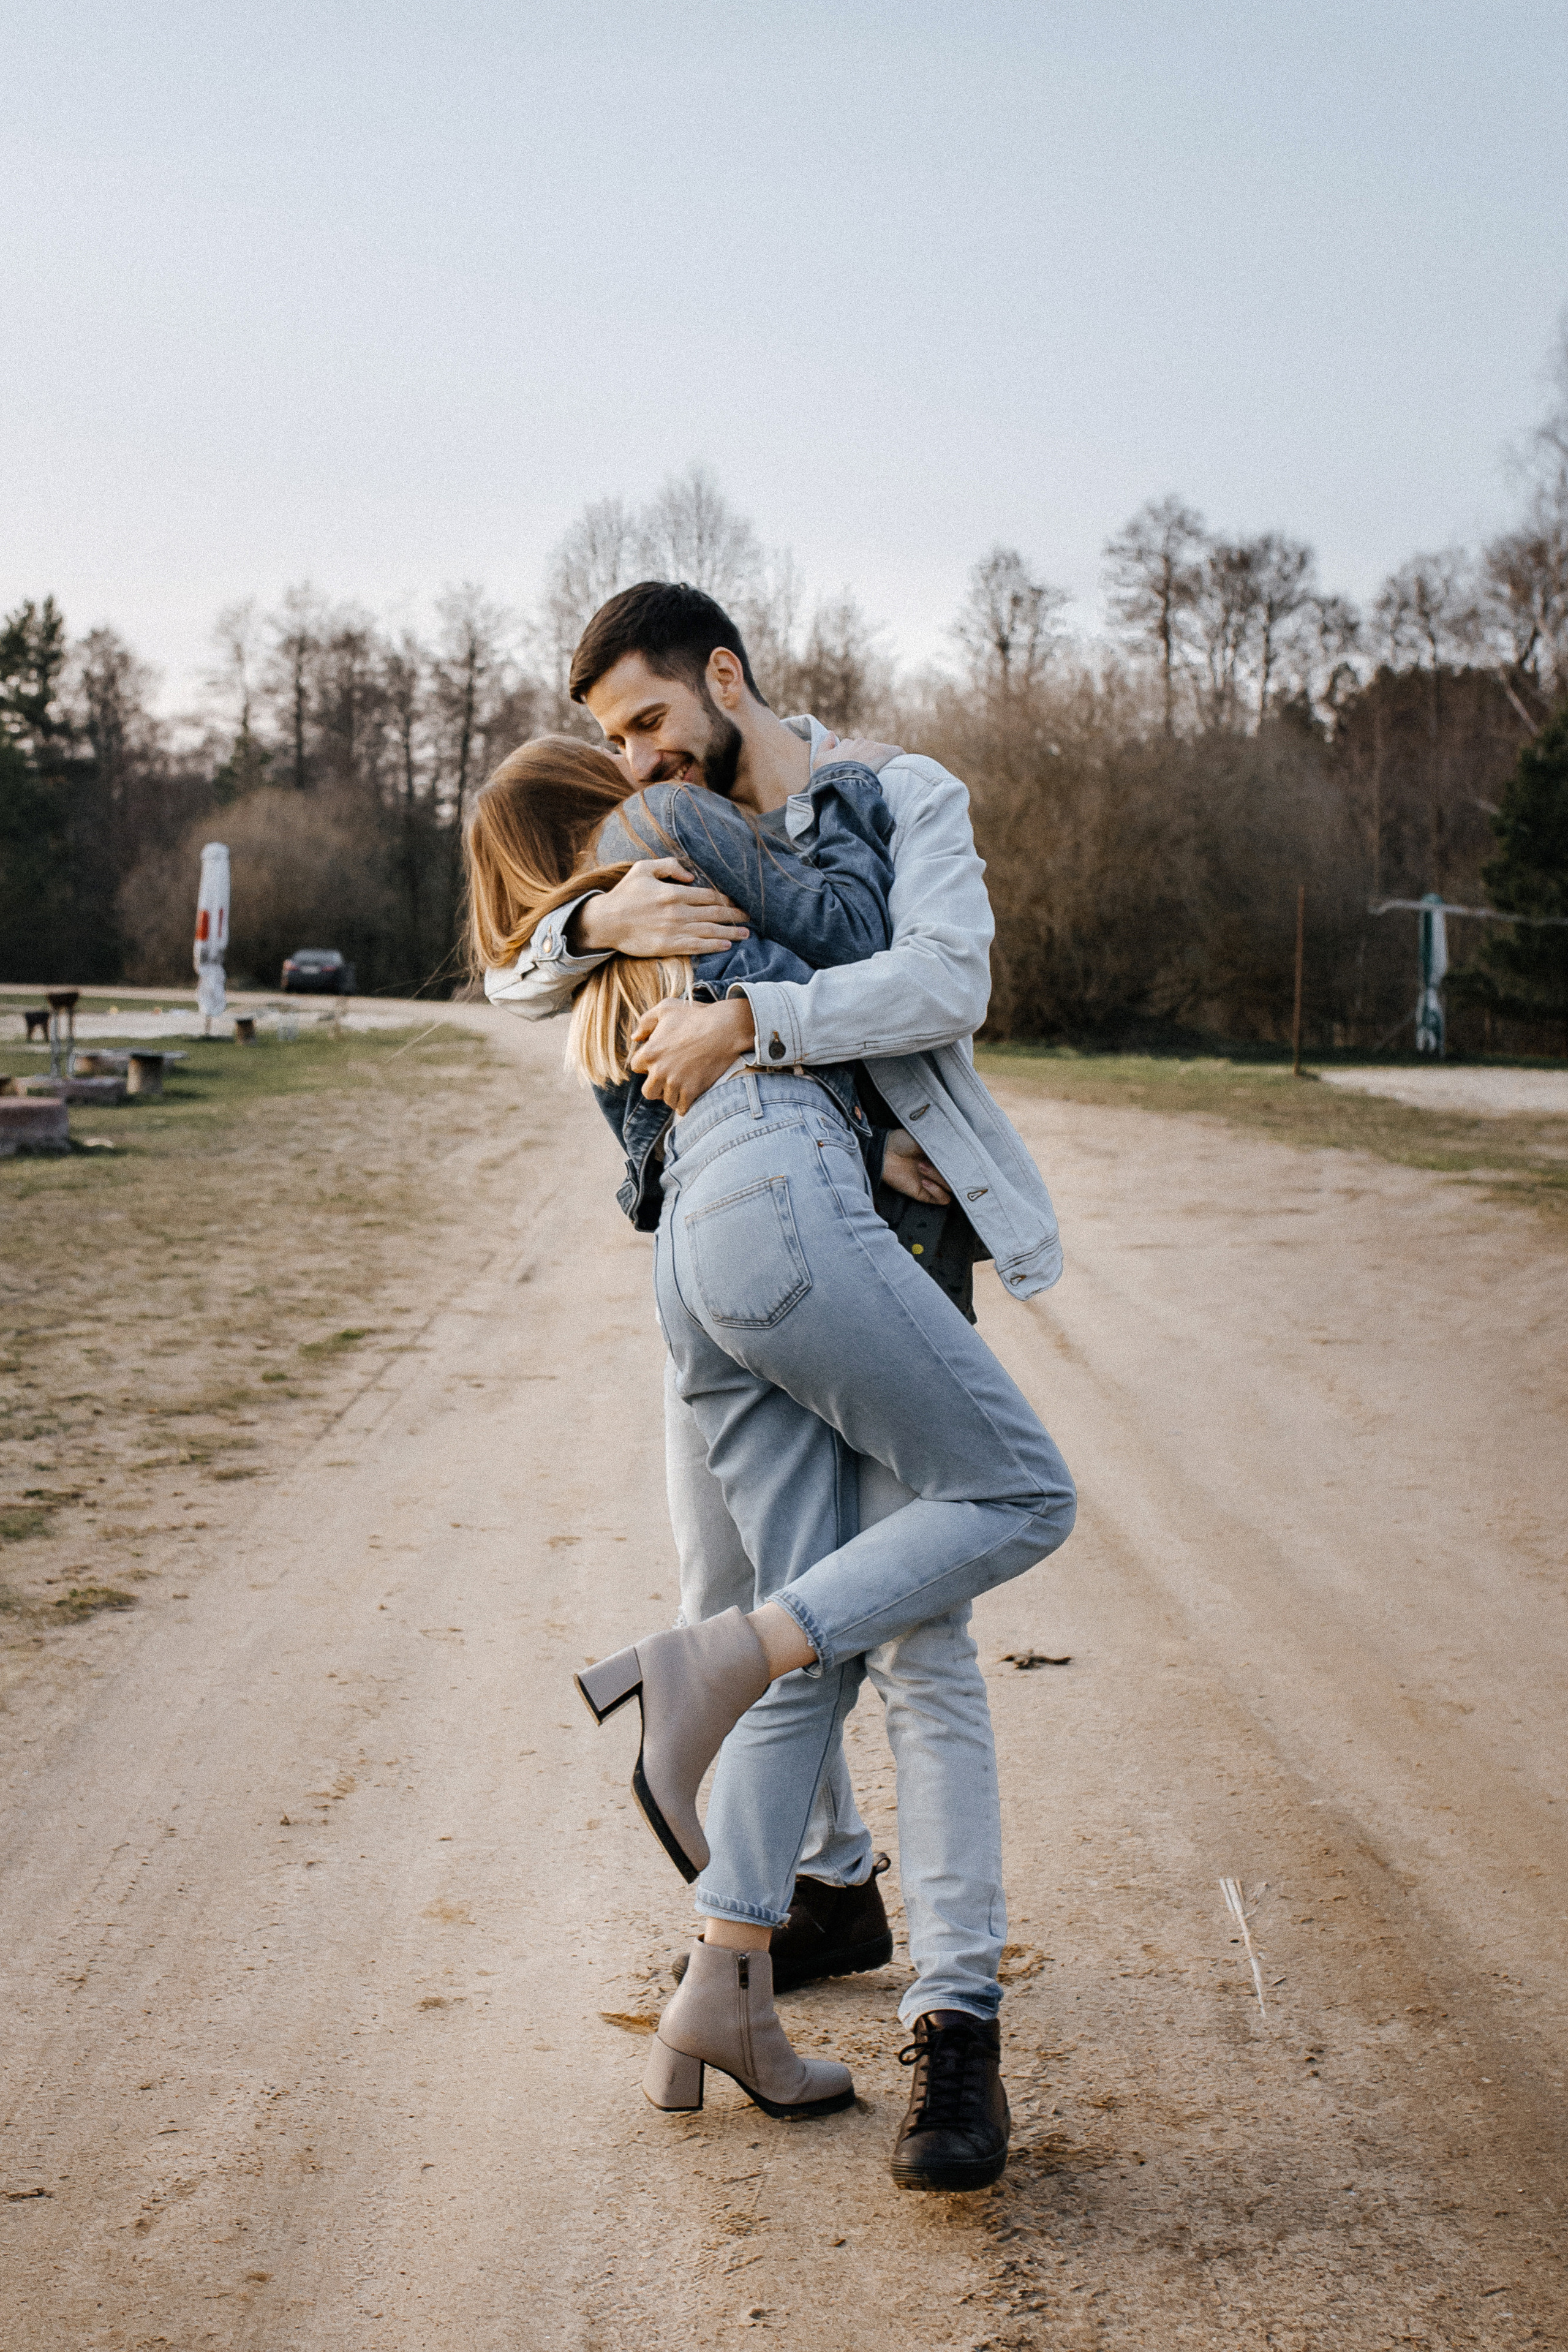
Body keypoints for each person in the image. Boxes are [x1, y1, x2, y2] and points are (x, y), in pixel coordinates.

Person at [484, 582, 1071, 2190]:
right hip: (758, 1252)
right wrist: (592, 922)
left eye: (647, 722)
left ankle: (956, 2035)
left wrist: (760, 1022)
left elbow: (944, 983)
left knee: (926, 1644)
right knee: (774, 1605)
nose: (633, 763)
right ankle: (754, 1949)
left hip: (888, 1235)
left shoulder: (898, 793)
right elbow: (519, 970)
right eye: (609, 743)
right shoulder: (670, 846)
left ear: (723, 678)